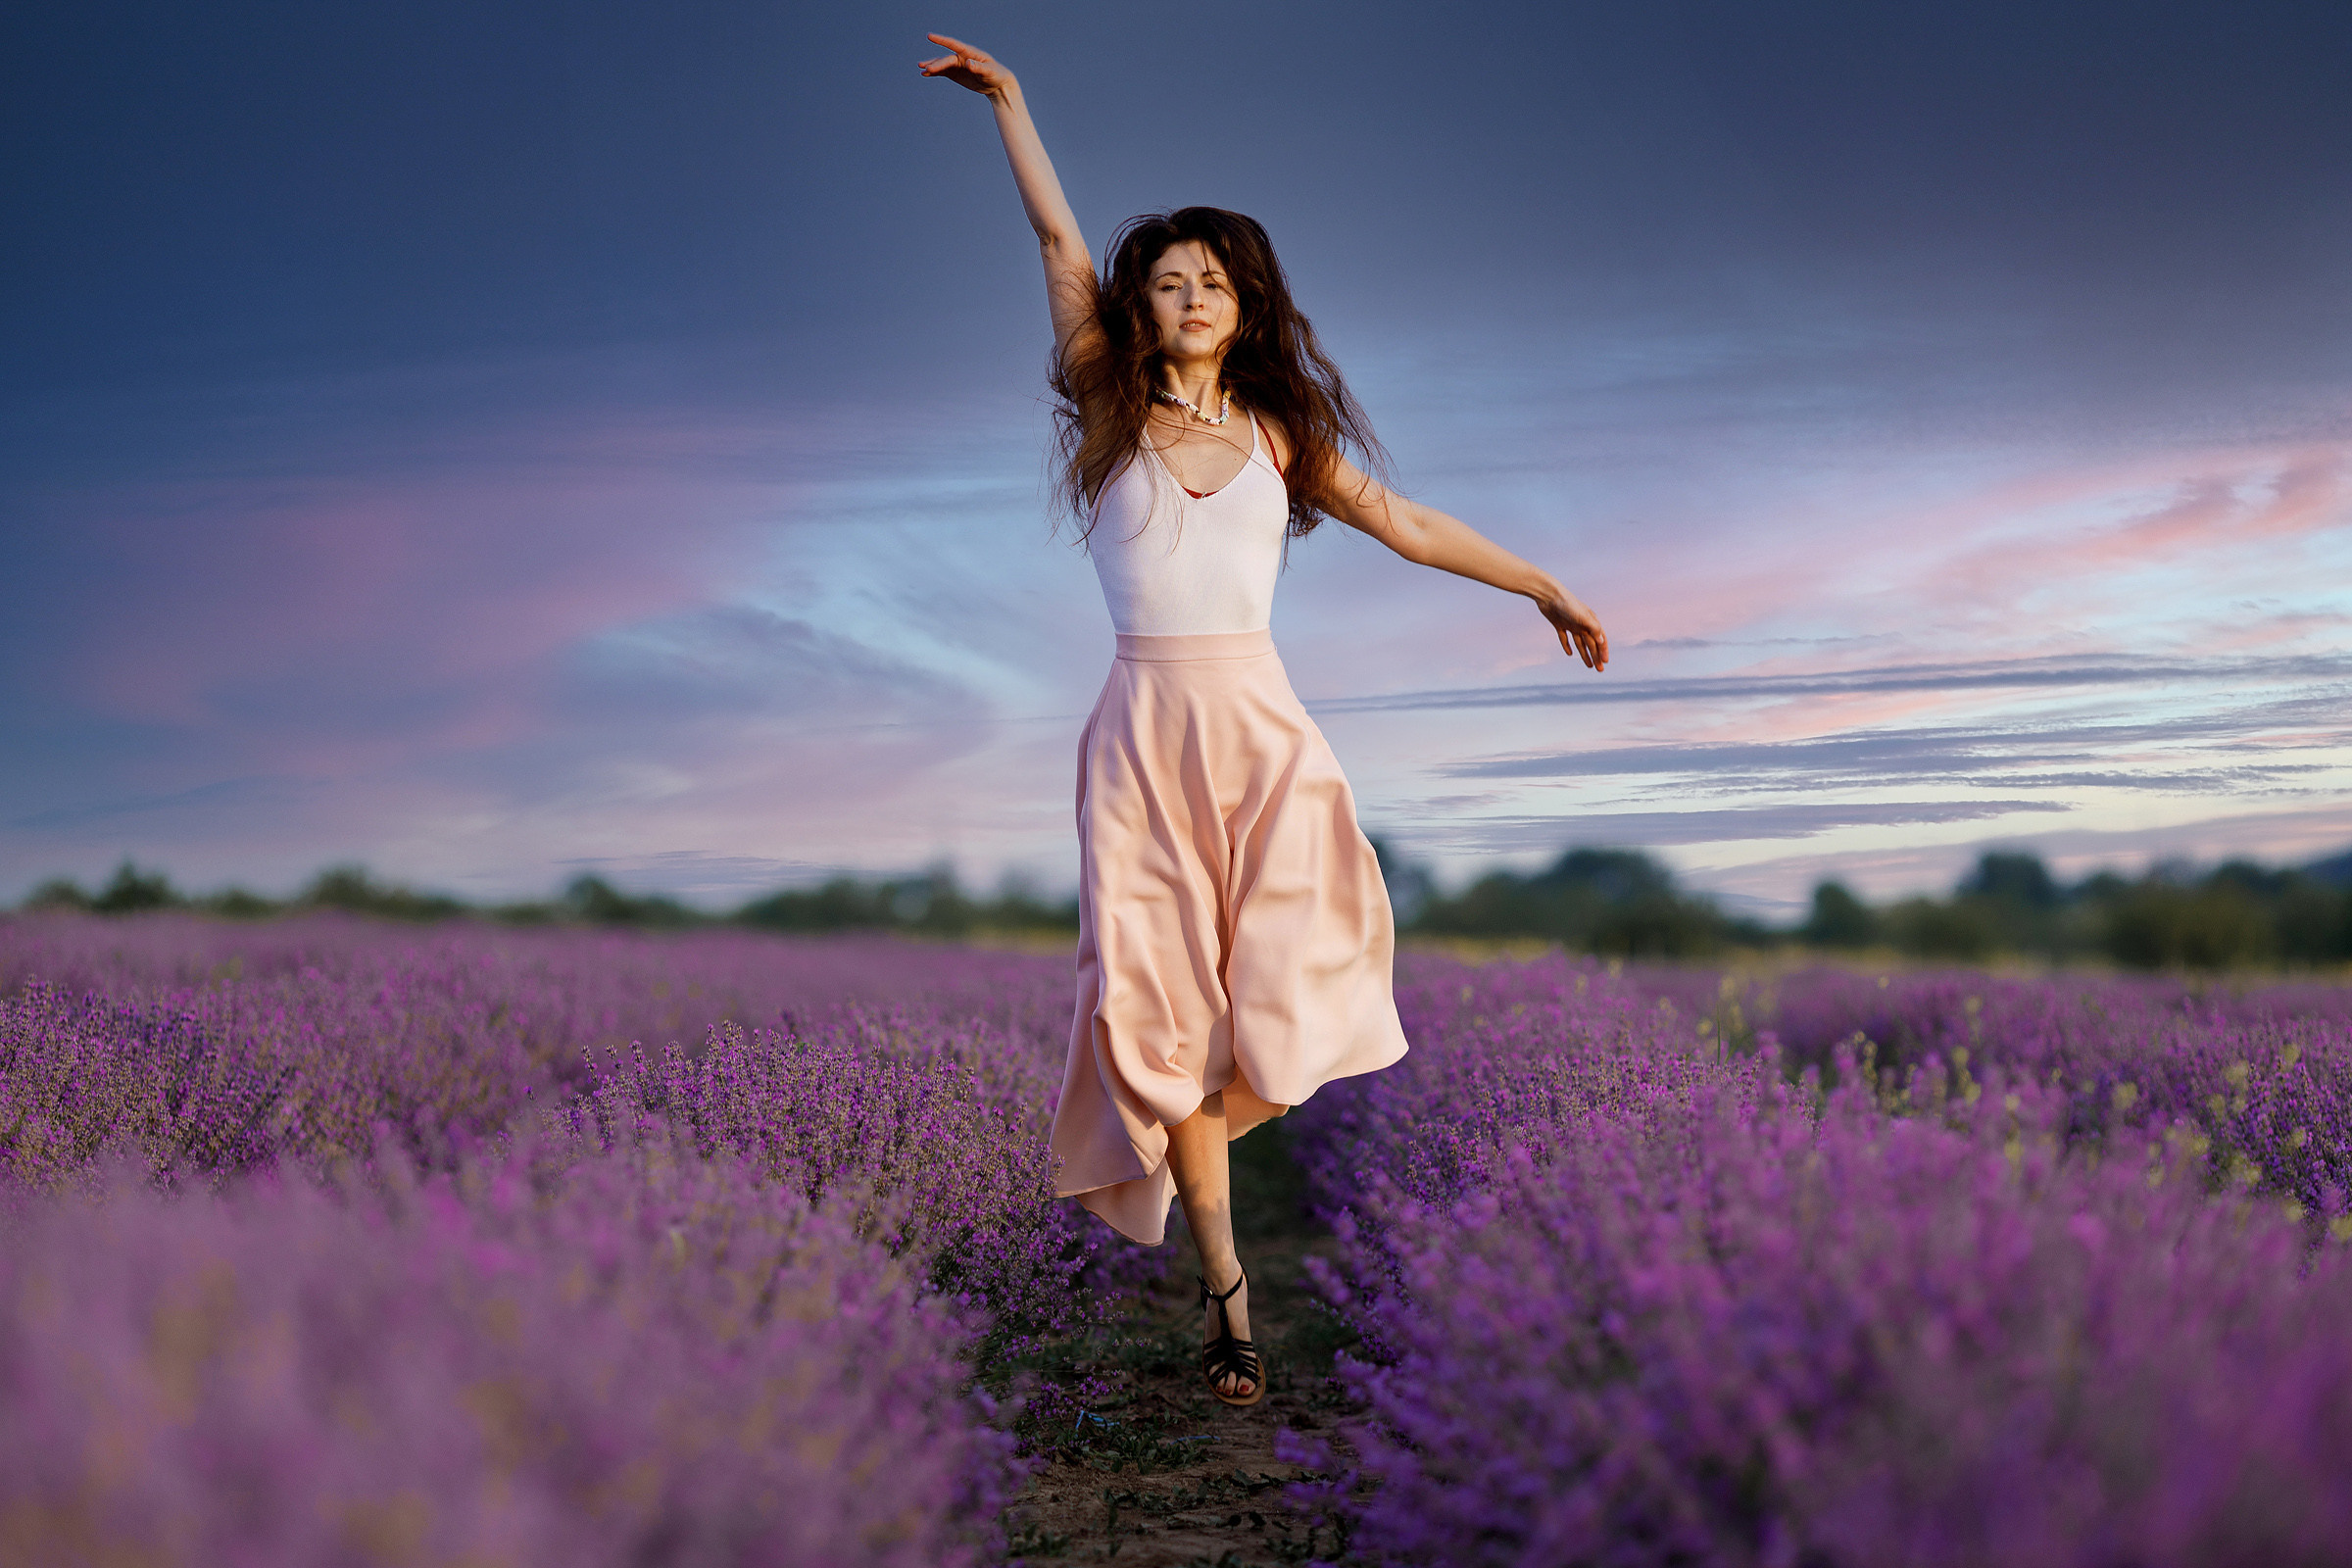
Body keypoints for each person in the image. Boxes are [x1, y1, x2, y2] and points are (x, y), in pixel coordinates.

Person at [919, 33, 1608, 1407]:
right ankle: (1227, 1292)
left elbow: (1405, 523)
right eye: (1167, 283)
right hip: (1140, 742)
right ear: (1140, 305)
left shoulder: (1281, 435)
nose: (1189, 299)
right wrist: (1014, 108)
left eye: (1212, 283)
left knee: (1295, 990)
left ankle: (1192, 1160)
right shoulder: (1104, 403)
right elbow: (1058, 238)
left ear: (1245, 306)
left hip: (1263, 731)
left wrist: (1542, 584)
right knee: (1155, 1011)